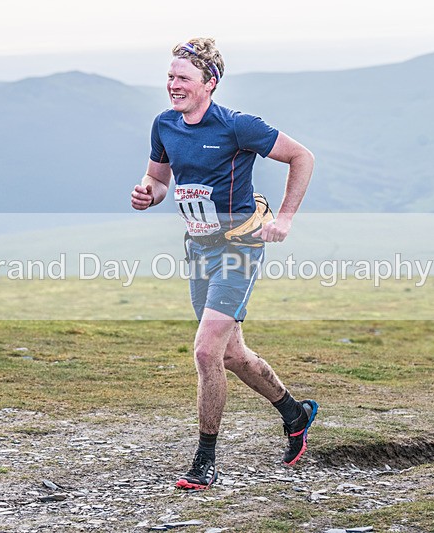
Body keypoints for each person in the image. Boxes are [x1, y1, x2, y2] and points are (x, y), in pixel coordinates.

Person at [130, 37, 317, 490]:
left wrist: (285, 219)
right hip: (198, 248)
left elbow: (302, 157)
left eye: (183, 78)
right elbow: (158, 178)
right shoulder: (165, 125)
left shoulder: (237, 126)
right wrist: (148, 194)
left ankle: (205, 460)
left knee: (204, 351)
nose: (173, 85)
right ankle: (294, 413)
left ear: (209, 83)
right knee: (231, 353)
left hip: (239, 247)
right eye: (170, 77)